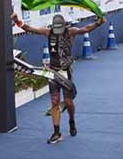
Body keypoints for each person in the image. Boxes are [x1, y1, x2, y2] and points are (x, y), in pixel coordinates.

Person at [10, 12, 106, 144]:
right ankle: (56, 132)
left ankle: (71, 120)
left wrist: (98, 23)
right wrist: (17, 20)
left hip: (66, 72)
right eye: (56, 28)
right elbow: (30, 29)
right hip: (53, 72)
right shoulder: (48, 32)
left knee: (68, 102)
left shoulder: (71, 32)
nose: (58, 31)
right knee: (54, 102)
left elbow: (86, 29)